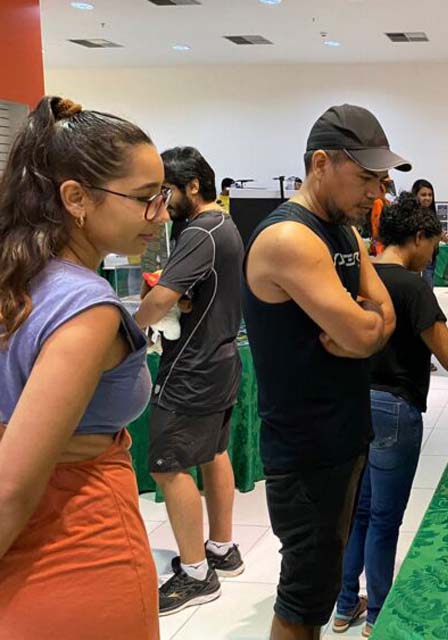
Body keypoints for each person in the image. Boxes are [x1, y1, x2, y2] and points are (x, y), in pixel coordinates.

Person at [0, 96, 168, 639]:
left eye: (162, 196)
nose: (160, 214)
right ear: (76, 198)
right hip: (75, 545)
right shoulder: (88, 308)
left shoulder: (19, 279)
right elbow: (13, 488)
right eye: (145, 199)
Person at [243, 104, 404, 640]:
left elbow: (384, 319)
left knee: (320, 584)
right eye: (364, 178)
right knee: (302, 601)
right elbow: (364, 333)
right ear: (320, 163)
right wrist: (366, 326)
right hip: (305, 450)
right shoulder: (290, 238)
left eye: (380, 180)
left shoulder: (344, 233)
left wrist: (367, 326)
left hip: (345, 436)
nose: (376, 194)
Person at [332, 192, 448, 636]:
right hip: (394, 409)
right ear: (416, 236)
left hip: (355, 404)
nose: (433, 253)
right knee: (384, 518)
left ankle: (342, 607)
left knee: (358, 510)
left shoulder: (357, 275)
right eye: (432, 244)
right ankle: (378, 615)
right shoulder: (412, 286)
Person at [134, 146, 245, 615]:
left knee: (166, 464)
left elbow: (163, 298)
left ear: (192, 187)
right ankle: (221, 548)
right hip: (220, 359)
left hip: (192, 369)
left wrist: (123, 328)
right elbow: (194, 296)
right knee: (213, 453)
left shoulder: (200, 231)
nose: (164, 199)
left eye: (167, 190)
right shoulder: (224, 223)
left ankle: (197, 573)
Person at [412, 178, 439, 289]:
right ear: (416, 195)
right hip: (413, 258)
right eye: (423, 195)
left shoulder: (433, 215)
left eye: (430, 195)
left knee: (428, 289)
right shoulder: (410, 215)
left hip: (429, 259)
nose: (427, 198)